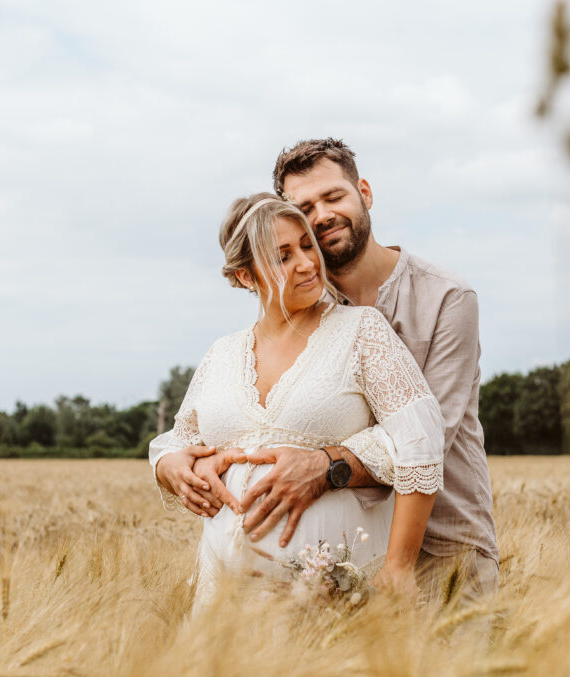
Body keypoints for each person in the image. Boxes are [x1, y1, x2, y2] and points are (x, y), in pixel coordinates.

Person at [169, 139, 500, 601]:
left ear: (364, 192)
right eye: (306, 208)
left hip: (445, 542)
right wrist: (183, 462)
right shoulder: (303, 306)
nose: (322, 215)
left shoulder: (445, 297)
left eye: (333, 196)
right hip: (341, 560)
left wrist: (324, 466)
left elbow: (428, 438)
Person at [149, 193, 446, 603]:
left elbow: (420, 442)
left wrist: (398, 568)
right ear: (245, 276)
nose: (307, 263)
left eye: (308, 246)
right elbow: (179, 440)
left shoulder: (362, 331)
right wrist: (170, 466)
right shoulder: (221, 354)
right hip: (224, 603)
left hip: (335, 599)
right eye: (283, 256)